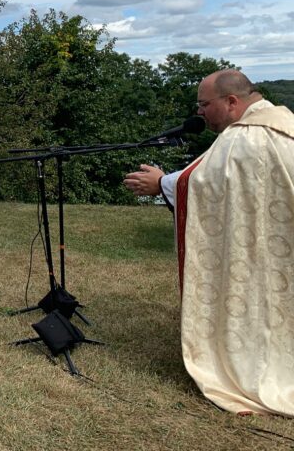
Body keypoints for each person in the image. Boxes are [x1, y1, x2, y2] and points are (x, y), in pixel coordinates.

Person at [124, 70, 294, 417]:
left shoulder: (245, 139)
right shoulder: (284, 123)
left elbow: (202, 182)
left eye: (204, 104)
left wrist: (161, 182)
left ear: (232, 102)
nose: (200, 112)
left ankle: (253, 363)